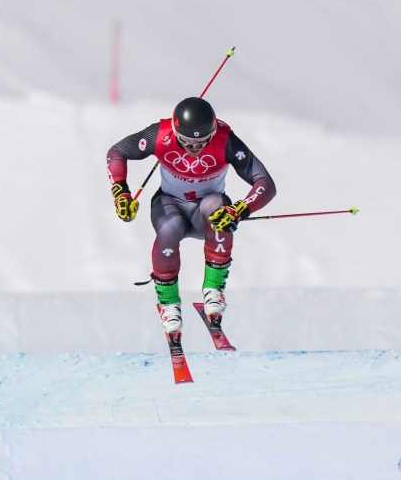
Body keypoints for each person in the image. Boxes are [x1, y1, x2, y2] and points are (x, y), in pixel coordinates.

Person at [106, 97, 276, 335]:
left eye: (202, 142)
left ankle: (213, 290)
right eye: (186, 142)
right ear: (176, 132)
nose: (194, 148)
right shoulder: (160, 135)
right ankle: (169, 304)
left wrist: (240, 209)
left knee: (218, 209)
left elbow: (265, 182)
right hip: (169, 203)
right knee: (170, 227)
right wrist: (121, 192)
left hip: (206, 213)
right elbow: (117, 152)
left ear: (213, 132)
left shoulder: (225, 140)